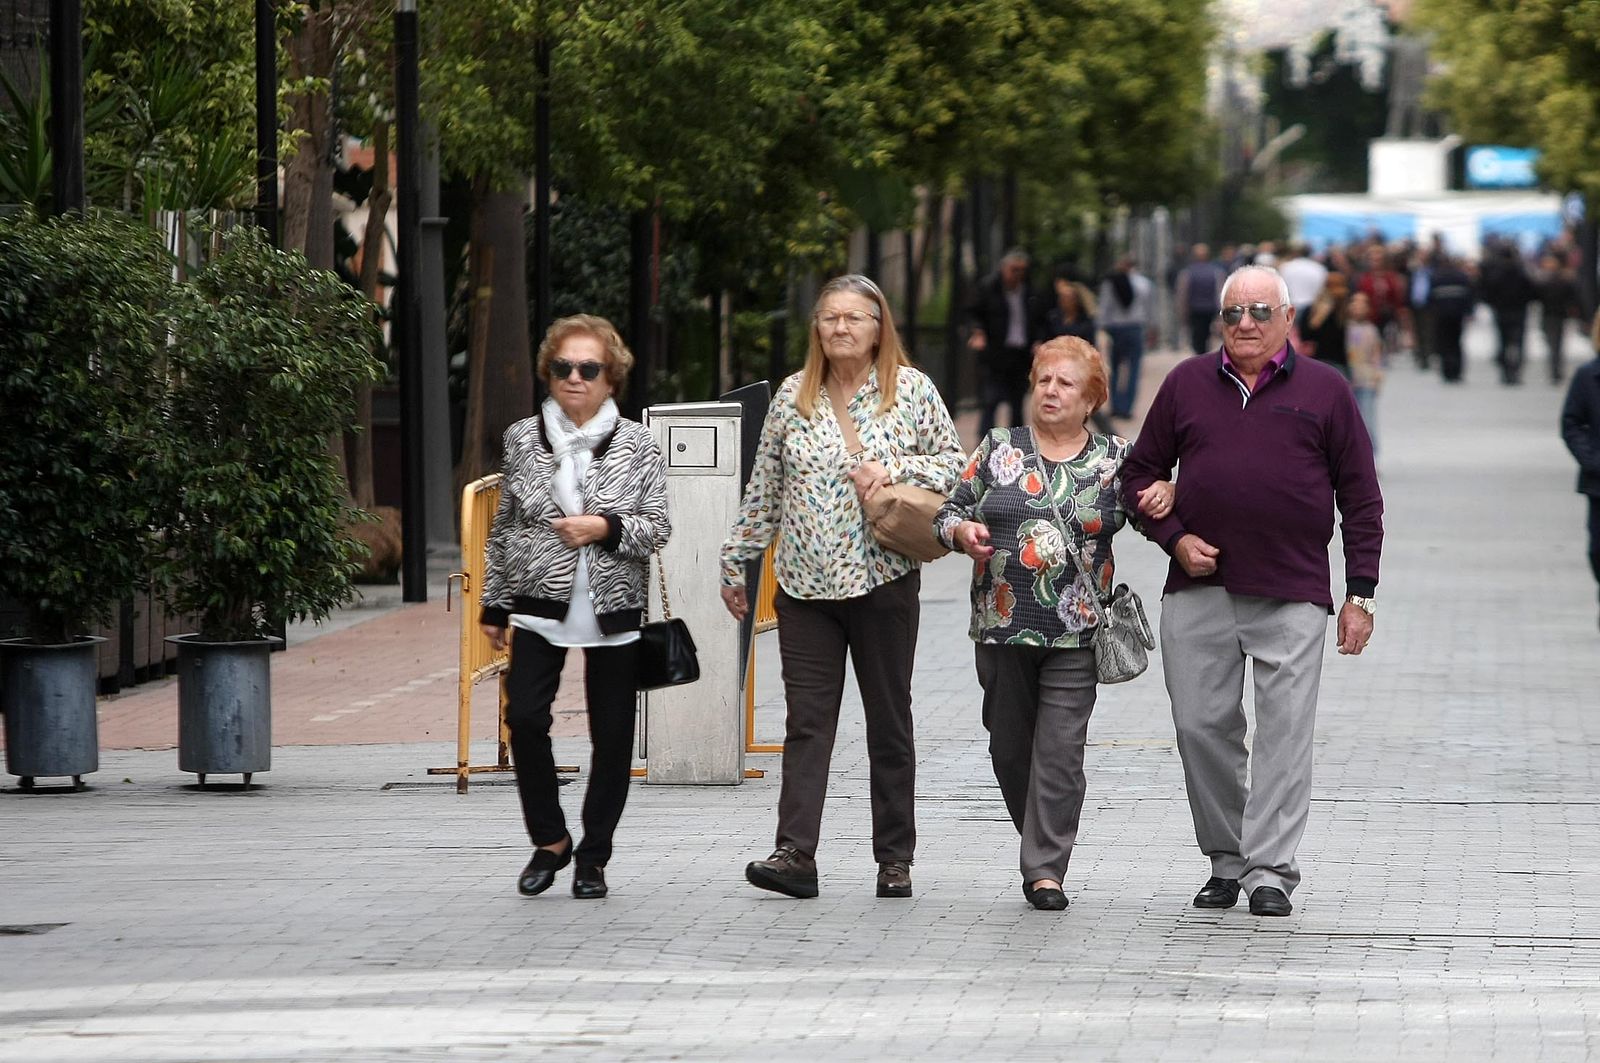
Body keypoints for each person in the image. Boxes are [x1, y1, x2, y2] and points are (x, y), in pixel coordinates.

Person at [1121, 265, 1384, 918]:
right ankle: (1227, 857)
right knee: (1198, 726)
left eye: (1260, 312)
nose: (1244, 324)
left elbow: (1361, 496)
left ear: (1288, 319)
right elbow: (1138, 475)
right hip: (1198, 588)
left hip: (1292, 590)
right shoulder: (1186, 383)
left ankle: (1270, 870)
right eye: (1233, 313)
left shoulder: (1326, 389)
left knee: (1284, 735)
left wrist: (1361, 592)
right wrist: (1175, 537)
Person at [721, 274, 965, 900]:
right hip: (805, 587)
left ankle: (894, 860)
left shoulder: (908, 391)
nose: (840, 328)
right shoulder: (791, 397)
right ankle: (795, 853)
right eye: (829, 317)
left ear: (879, 327)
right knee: (807, 722)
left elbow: (954, 466)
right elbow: (766, 488)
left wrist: (894, 467)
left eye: (854, 317)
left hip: (883, 581)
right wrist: (737, 561)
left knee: (889, 720)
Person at [934, 337, 1170, 911]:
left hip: (1078, 634)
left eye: (1066, 383)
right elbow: (950, 511)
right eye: (1043, 380)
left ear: (1091, 399)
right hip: (1002, 628)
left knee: (1061, 751)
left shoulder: (1115, 459)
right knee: (1010, 749)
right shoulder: (997, 449)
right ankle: (1038, 834)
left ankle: (1044, 869)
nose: (1051, 390)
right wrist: (962, 535)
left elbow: (1154, 513)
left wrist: (1168, 494)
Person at [479, 314, 670, 900]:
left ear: (610, 377)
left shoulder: (639, 443)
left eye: (589, 369)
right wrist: (494, 604)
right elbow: (505, 524)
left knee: (612, 738)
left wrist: (604, 527)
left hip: (612, 608)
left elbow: (657, 527)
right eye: (563, 368)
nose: (575, 378)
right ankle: (550, 841)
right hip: (538, 603)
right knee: (526, 719)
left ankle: (593, 858)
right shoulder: (521, 437)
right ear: (549, 372)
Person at [967, 250, 1043, 437]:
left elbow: (1039, 320)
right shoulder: (988, 288)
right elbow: (973, 314)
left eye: (1021, 270)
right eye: (1013, 270)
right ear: (1003, 269)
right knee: (990, 399)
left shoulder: (1030, 292)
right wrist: (978, 332)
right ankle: (985, 441)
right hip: (996, 352)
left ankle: (1017, 442)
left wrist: (1039, 341)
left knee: (1017, 402)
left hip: (1021, 353)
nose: (1017, 275)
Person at [1560, 315, 1600, 629]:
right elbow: (1571, 423)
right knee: (1597, 549)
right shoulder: (1588, 376)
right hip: (1599, 482)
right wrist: (1592, 460)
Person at [1097, 255, 1154, 418]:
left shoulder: (1110, 283)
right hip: (1135, 328)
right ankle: (1127, 407)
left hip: (1115, 328)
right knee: (1134, 368)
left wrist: (1101, 326)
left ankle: (1115, 405)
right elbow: (1149, 308)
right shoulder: (1144, 283)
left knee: (1114, 368)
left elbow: (1104, 306)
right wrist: (1151, 327)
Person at [1480, 240, 1535, 385]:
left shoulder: (1496, 273)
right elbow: (1531, 291)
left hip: (1502, 312)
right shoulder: (1521, 272)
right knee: (1517, 343)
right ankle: (1515, 371)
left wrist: (1494, 304)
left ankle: (1506, 372)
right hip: (1518, 312)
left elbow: (1488, 291)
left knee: (1503, 342)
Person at [1345, 291, 1384, 456]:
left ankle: (1371, 457)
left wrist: (1377, 376)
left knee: (1368, 421)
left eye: (1362, 304)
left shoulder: (1371, 330)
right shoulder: (1344, 328)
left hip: (1366, 379)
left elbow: (1377, 355)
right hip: (1347, 379)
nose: (1358, 307)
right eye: (1355, 303)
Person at [1428, 257, 1476, 384]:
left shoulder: (1436, 277)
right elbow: (1469, 296)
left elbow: (1430, 298)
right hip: (1457, 315)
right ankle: (1456, 371)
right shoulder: (1462, 277)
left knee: (1444, 343)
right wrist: (1470, 312)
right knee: (1456, 342)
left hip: (1442, 315)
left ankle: (1447, 371)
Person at [1537, 252, 1581, 383]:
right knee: (1555, 344)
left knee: (1554, 344)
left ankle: (1555, 369)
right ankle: (1556, 369)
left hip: (1555, 315)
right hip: (1554, 315)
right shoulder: (1556, 280)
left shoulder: (1551, 281)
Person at [1176, 244, 1227, 356]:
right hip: (1211, 310)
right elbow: (1220, 292)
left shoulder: (1187, 273)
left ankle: (1200, 354)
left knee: (1197, 337)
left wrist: (1183, 313)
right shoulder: (1216, 272)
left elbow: (1183, 295)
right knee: (1208, 336)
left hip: (1195, 310)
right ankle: (1205, 355)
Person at [1299, 271, 1350, 376]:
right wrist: (1321, 314)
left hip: (1339, 363)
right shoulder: (1311, 310)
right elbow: (1305, 335)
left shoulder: (1344, 312)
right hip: (1316, 361)